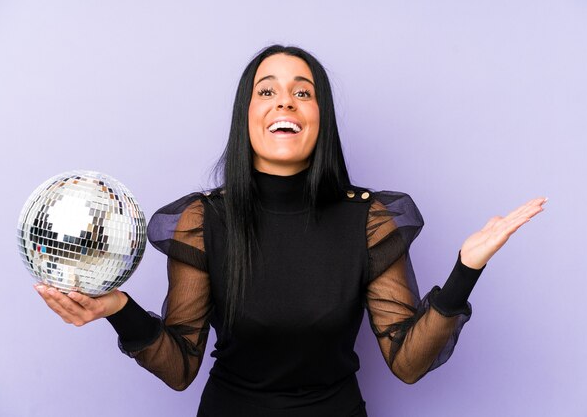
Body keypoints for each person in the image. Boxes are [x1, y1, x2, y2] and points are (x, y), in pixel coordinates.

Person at [34, 44, 546, 417]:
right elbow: (180, 366)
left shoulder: (369, 219)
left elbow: (408, 362)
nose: (285, 102)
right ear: (248, 116)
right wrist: (119, 311)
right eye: (267, 91)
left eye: (304, 92)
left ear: (320, 118)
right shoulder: (202, 220)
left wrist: (467, 269)